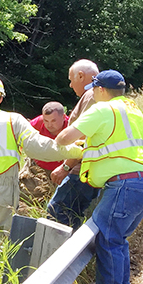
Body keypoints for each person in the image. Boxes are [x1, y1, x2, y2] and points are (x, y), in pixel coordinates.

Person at [55, 70, 143, 284]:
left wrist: (75, 144)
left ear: (100, 90)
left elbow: (62, 138)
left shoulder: (102, 109)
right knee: (117, 238)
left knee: (107, 237)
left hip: (123, 185)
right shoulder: (132, 110)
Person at [0, 75, 79, 234]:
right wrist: (76, 150)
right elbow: (38, 147)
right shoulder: (13, 120)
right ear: (1, 98)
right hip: (2, 187)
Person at [47, 59, 102, 229]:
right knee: (73, 215)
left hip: (81, 170)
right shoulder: (98, 94)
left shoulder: (92, 95)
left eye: (71, 80)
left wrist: (66, 167)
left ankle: (58, 253)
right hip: (90, 169)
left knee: (57, 212)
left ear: (81, 75)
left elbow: (84, 137)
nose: (70, 85)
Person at [29, 101, 69, 170]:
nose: (49, 125)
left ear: (64, 117)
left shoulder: (72, 126)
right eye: (46, 121)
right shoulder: (38, 122)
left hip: (64, 169)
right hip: (38, 168)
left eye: (53, 121)